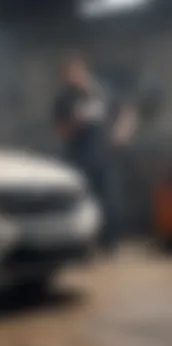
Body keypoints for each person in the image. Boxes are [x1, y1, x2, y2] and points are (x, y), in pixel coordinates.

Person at [52, 53, 137, 254]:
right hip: (79, 158)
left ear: (83, 71)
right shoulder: (64, 99)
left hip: (106, 156)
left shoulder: (103, 91)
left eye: (74, 73)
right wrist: (76, 120)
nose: (71, 78)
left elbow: (127, 111)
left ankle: (113, 244)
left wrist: (121, 133)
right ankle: (88, 246)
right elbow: (61, 132)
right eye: (67, 75)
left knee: (111, 201)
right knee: (85, 204)